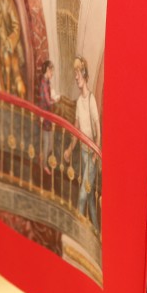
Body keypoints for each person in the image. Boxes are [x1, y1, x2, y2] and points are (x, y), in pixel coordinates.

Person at [63, 56, 100, 230]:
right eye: (75, 73)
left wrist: (95, 155)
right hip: (84, 153)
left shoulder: (91, 99)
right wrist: (70, 150)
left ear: (84, 74)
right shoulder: (78, 102)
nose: (76, 76)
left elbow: (98, 130)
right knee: (90, 196)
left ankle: (76, 229)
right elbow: (76, 131)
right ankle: (97, 231)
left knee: (83, 195)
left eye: (78, 72)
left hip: (91, 154)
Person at [37, 60, 58, 175]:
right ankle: (43, 165)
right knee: (46, 143)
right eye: (51, 71)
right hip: (44, 116)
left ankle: (42, 160)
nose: (52, 74)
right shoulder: (43, 83)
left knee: (49, 144)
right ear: (47, 71)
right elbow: (47, 101)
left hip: (48, 116)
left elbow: (48, 99)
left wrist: (53, 100)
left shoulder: (47, 82)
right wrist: (55, 101)